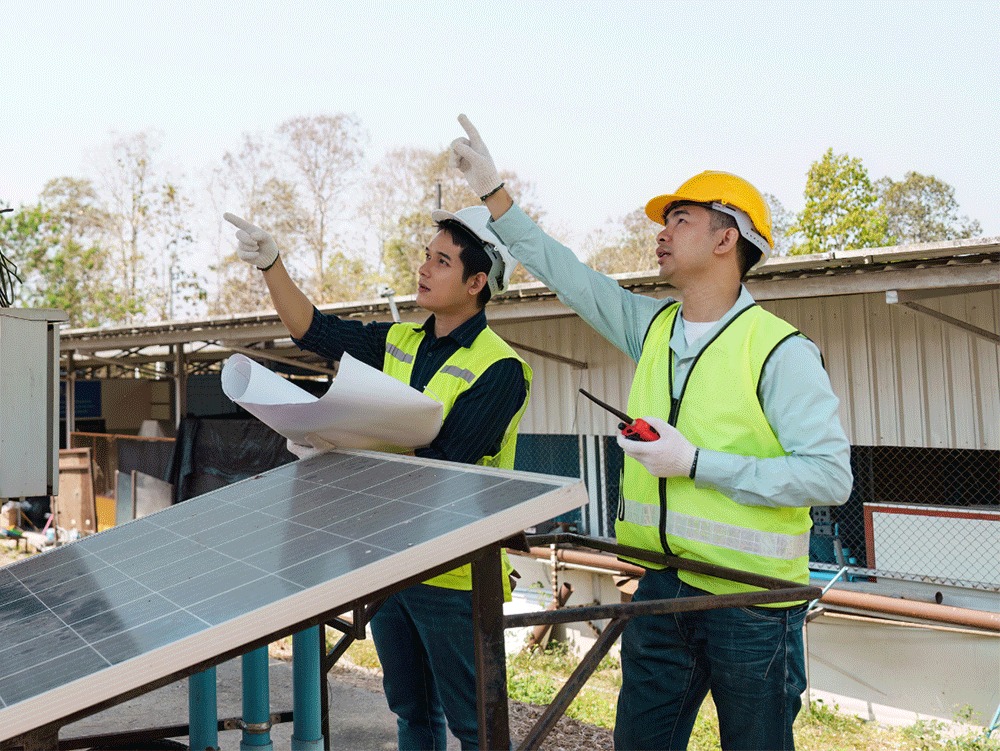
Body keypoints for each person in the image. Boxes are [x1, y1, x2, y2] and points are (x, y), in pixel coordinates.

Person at [447, 115, 853, 751]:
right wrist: (496, 195)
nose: (661, 234)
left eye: (680, 220)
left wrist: (695, 462)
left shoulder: (779, 351)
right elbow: (567, 273)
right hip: (661, 584)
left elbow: (830, 476)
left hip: (751, 603)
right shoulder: (652, 327)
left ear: (728, 239)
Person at [224, 205, 532, 751]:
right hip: (391, 560)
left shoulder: (500, 367)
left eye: (442, 261)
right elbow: (313, 330)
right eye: (426, 256)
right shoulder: (399, 342)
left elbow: (447, 461)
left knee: (477, 726)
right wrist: (272, 265)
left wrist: (340, 439)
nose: (425, 268)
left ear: (476, 282)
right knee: (411, 711)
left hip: (456, 574)